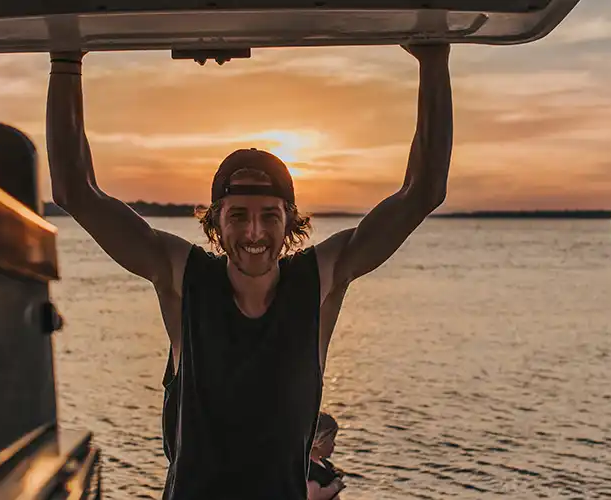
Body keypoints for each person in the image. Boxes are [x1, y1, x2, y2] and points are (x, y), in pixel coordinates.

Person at [46, 43, 452, 500]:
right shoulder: (183, 277)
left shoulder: (319, 280)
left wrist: (433, 59)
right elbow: (74, 191)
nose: (254, 232)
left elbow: (424, 192)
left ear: (290, 221)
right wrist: (66, 60)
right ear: (216, 221)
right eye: (238, 214)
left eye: (269, 216)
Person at [307, 412, 346, 500]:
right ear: (319, 440)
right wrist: (335, 486)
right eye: (332, 440)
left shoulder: (325, 464)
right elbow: (314, 496)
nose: (334, 444)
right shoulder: (311, 468)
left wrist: (336, 475)